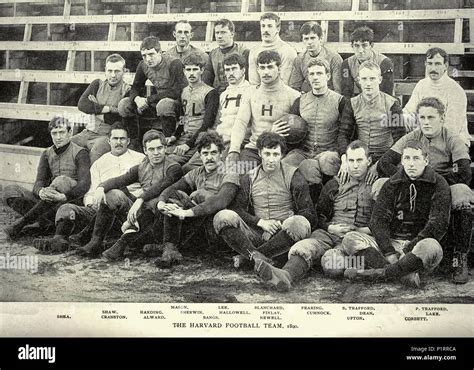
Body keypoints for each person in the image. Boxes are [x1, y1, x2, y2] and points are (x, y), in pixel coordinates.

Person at [253, 141, 376, 292]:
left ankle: (350, 265)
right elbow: (319, 215)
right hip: (330, 233)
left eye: (359, 160)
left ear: (369, 161)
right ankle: (285, 276)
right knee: (304, 247)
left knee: (332, 265)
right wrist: (330, 227)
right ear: (345, 161)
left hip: (357, 238)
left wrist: (359, 230)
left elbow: (381, 221)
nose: (355, 165)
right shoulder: (334, 184)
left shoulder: (375, 185)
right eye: (351, 160)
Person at [378, 97, 472, 283]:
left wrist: (435, 183)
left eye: (431, 117)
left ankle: (459, 257)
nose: (426, 122)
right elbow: (385, 162)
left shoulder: (451, 138)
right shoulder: (411, 137)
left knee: (462, 192)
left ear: (442, 118)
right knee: (380, 184)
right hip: (413, 183)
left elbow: (463, 172)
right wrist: (405, 178)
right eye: (422, 117)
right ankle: (391, 247)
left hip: (443, 184)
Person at [343, 140, 451, 288]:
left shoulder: (439, 184)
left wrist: (407, 251)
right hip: (392, 245)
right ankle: (404, 274)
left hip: (417, 246)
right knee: (350, 239)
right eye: (407, 158)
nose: (411, 164)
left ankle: (378, 274)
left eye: (416, 158)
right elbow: (378, 221)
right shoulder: (392, 183)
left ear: (426, 160)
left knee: (431, 247)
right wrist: (389, 253)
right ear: (401, 161)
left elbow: (438, 224)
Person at [32, 123, 145, 253]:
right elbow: (90, 192)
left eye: (122, 139)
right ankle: (59, 240)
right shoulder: (99, 163)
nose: (118, 142)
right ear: (109, 141)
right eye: (115, 139)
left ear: (128, 141)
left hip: (128, 210)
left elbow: (146, 186)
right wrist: (92, 204)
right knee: (66, 208)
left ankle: (92, 240)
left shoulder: (140, 159)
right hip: (100, 211)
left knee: (114, 194)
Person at [214, 132, 316, 275]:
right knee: (222, 216)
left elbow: (309, 213)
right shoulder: (249, 177)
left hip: (284, 237)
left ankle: (250, 257)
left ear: (282, 155)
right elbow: (237, 208)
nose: (271, 159)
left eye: (276, 154)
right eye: (267, 154)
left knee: (299, 223)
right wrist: (260, 222)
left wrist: (284, 223)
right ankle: (257, 256)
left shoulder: (294, 175)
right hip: (257, 234)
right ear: (260, 153)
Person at [76, 130, 182, 257]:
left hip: (160, 218)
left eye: (159, 148)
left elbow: (161, 186)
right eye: (151, 149)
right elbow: (119, 180)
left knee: (157, 203)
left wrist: (140, 200)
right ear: (145, 151)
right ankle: (96, 241)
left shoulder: (174, 167)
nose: (156, 153)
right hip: (142, 212)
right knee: (112, 195)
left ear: (165, 148)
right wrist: (101, 187)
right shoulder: (142, 166)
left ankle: (123, 243)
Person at [149, 131, 240, 267]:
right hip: (197, 225)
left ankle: (169, 247)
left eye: (214, 153)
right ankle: (170, 248)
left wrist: (188, 210)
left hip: (217, 228)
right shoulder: (197, 172)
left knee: (182, 197)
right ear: (200, 155)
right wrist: (161, 202)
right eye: (205, 153)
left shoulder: (229, 172)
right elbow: (172, 188)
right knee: (175, 196)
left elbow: (221, 201)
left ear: (221, 153)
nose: (209, 158)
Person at [3, 116, 90, 241]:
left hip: (69, 203)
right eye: (54, 133)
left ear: (70, 133)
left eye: (62, 132)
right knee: (9, 190)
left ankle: (23, 222)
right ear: (50, 134)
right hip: (48, 202)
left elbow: (84, 184)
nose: (58, 137)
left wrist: (64, 197)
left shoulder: (80, 153)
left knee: (61, 181)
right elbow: (39, 182)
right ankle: (45, 224)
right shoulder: (47, 153)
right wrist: (41, 191)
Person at [282, 58, 346, 199]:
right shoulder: (300, 101)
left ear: (328, 76)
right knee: (284, 164)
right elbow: (290, 128)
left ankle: (320, 206)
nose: (315, 77)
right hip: (304, 150)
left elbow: (347, 131)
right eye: (311, 74)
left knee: (314, 165)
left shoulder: (340, 101)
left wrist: (343, 153)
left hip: (329, 151)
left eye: (319, 73)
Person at [228, 50, 300, 168]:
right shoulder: (250, 92)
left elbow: (296, 130)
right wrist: (234, 150)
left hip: (280, 152)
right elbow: (240, 122)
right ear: (258, 69)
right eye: (262, 67)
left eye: (270, 67)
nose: (266, 72)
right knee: (236, 179)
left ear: (279, 68)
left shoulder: (293, 95)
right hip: (254, 149)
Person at [338, 60, 405, 185]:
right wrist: (345, 159)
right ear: (358, 80)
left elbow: (400, 139)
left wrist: (380, 164)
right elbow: (343, 134)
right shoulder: (352, 103)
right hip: (359, 156)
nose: (368, 84)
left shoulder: (392, 104)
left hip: (386, 157)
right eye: (364, 79)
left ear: (380, 79)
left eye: (372, 79)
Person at [182, 53, 251, 173]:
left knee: (218, 171)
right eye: (227, 70)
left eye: (234, 69)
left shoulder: (251, 91)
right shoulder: (224, 94)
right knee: (188, 168)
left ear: (243, 70)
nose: (230, 73)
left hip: (236, 141)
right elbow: (218, 121)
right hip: (219, 140)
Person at [118, 36, 187, 148]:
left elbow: (176, 91)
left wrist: (148, 100)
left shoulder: (174, 63)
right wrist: (137, 99)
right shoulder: (143, 65)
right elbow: (135, 87)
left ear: (160, 52)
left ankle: (167, 143)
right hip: (157, 102)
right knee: (124, 105)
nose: (148, 59)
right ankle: (134, 142)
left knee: (164, 104)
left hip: (178, 104)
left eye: (151, 54)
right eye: (144, 56)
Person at [403, 47, 470, 146]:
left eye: (438, 64)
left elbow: (452, 127)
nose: (433, 68)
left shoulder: (455, 90)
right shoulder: (421, 85)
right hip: (423, 138)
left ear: (445, 66)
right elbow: (409, 112)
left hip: (452, 141)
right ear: (425, 64)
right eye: (430, 64)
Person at [73, 53, 131, 163]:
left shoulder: (127, 90)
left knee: (96, 151)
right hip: (87, 132)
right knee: (68, 145)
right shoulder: (97, 84)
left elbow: (118, 120)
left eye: (117, 71)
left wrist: (94, 108)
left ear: (124, 71)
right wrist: (110, 109)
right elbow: (82, 105)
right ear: (105, 70)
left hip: (106, 136)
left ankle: (91, 180)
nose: (113, 75)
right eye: (110, 71)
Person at [166, 53, 219, 166]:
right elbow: (182, 118)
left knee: (171, 163)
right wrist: (175, 136)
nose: (191, 73)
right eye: (188, 70)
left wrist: (188, 144)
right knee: (161, 155)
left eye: (195, 69)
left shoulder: (210, 92)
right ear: (184, 71)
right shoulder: (184, 91)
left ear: (202, 70)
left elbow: (207, 124)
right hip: (185, 137)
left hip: (201, 139)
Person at [288, 21, 343, 93]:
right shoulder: (300, 59)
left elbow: (338, 90)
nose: (309, 42)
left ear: (320, 39)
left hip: (330, 97)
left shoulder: (334, 58)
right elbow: (294, 88)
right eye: (306, 39)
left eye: (313, 38)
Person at [341, 26, 394, 98]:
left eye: (364, 45)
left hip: (382, 102)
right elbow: (347, 93)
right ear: (352, 46)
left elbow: (387, 94)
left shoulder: (384, 62)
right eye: (356, 46)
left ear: (371, 45)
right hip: (362, 102)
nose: (360, 50)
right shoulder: (347, 63)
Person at [248, 12, 297, 85]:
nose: (265, 30)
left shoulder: (288, 51)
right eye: (263, 26)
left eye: (270, 26)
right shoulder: (254, 51)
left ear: (278, 28)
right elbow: (254, 83)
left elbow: (285, 82)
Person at [203, 19, 249, 94]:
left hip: (238, 93)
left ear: (232, 34)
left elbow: (247, 79)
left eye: (223, 32)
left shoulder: (243, 52)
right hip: (218, 95)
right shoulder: (213, 54)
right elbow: (207, 80)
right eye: (217, 33)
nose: (219, 36)